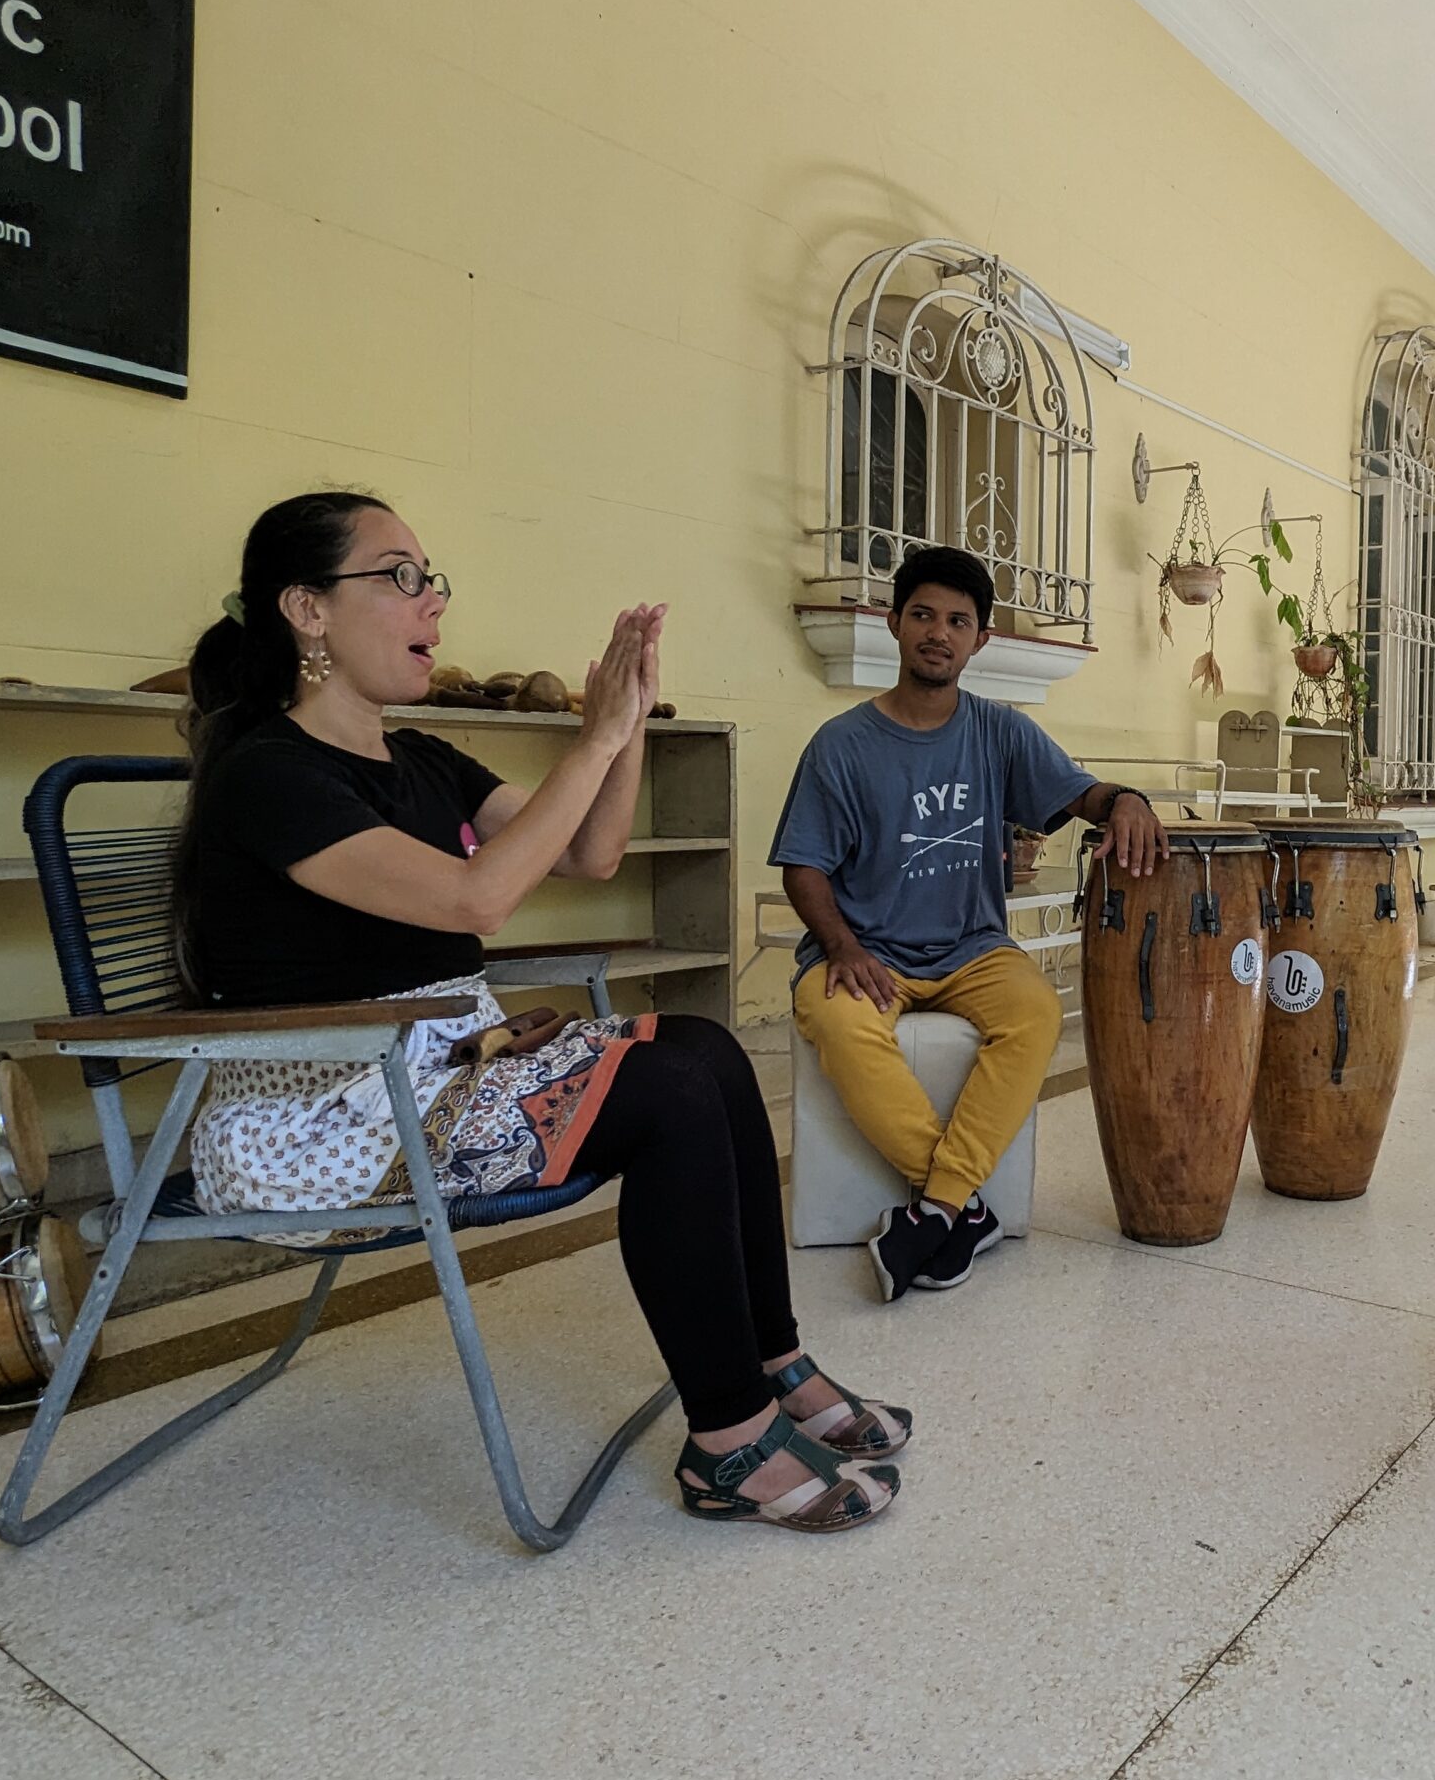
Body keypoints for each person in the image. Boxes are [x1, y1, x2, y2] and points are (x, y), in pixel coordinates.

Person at [174, 491, 904, 1533]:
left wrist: (625, 721)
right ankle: (728, 1442)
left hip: (438, 1070)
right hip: (333, 1110)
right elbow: (479, 897)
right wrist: (591, 738)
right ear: (307, 609)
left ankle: (772, 1362)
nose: (432, 603)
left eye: (433, 577)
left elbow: (588, 851)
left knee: (706, 1046)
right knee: (669, 1092)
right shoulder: (269, 776)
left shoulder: (422, 759)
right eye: (400, 576)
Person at [774, 547, 1168, 1300]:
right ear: (892, 624)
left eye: (958, 621)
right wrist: (842, 948)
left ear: (980, 641)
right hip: (867, 949)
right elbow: (804, 867)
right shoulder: (841, 747)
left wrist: (1128, 801)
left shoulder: (999, 733)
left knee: (1035, 1012)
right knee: (841, 1022)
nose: (938, 632)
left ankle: (938, 1209)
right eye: (923, 614)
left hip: (973, 949)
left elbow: (1082, 794)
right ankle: (961, 1206)